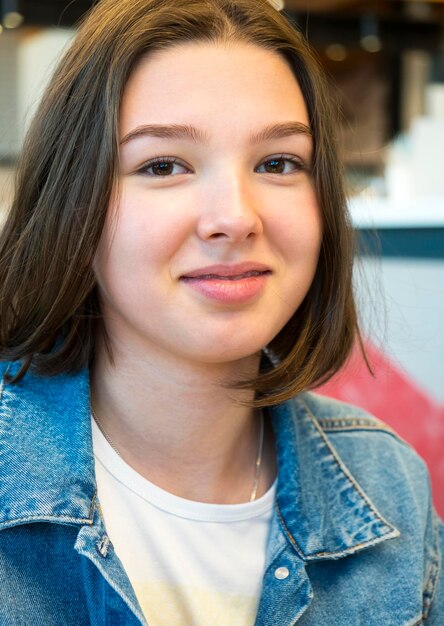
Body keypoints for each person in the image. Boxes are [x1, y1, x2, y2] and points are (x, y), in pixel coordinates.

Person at [0, 0, 442, 624]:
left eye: (278, 163)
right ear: (74, 202)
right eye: (163, 165)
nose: (234, 216)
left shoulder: (389, 485)